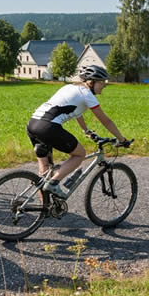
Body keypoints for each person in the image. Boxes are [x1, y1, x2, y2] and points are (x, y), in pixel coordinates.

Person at [26, 64, 129, 199]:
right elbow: (106, 121)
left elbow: (75, 112)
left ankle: (44, 207)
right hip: (48, 127)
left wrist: (86, 130)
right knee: (80, 154)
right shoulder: (87, 95)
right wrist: (122, 139)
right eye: (102, 82)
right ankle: (54, 182)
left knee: (44, 168)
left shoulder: (69, 87)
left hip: (33, 124)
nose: (104, 85)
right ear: (91, 82)